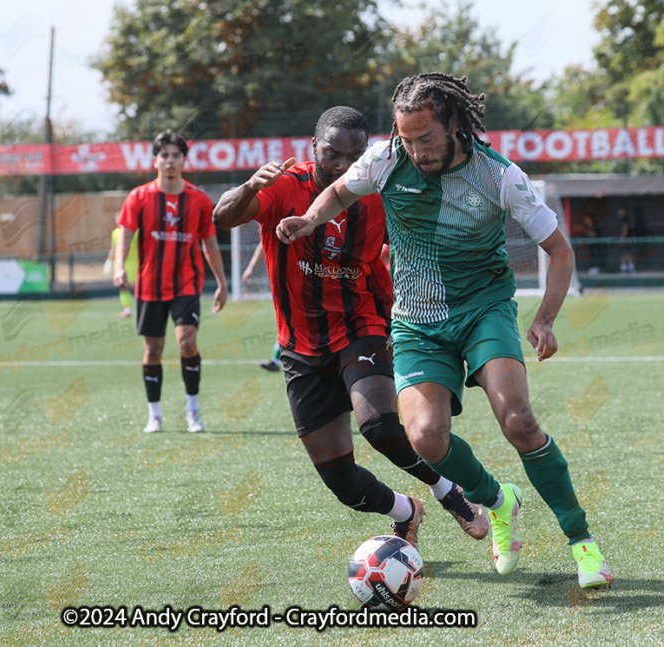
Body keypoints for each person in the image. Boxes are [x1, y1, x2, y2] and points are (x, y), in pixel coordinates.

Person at [276, 75, 611, 589]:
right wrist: (308, 218)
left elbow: (560, 252)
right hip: (417, 322)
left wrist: (543, 319)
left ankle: (582, 541)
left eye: (425, 138)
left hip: (483, 310)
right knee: (426, 438)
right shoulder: (387, 160)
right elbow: (340, 193)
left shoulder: (500, 176)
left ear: (454, 126)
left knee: (518, 421)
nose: (416, 150)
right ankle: (499, 501)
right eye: (406, 138)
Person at [213, 106, 488, 549]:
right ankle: (405, 510)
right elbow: (222, 218)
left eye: (354, 154)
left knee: (379, 425)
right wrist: (249, 186)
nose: (342, 164)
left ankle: (449, 493)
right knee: (341, 480)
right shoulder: (285, 186)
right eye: (331, 154)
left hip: (361, 324)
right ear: (313, 147)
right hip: (300, 345)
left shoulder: (378, 195)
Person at [113, 130, 229, 434]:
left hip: (187, 285)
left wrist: (222, 282)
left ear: (183, 159)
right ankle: (155, 414)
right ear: (155, 160)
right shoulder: (139, 197)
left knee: (187, 342)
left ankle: (193, 409)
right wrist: (119, 267)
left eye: (176, 155)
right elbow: (125, 234)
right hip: (150, 285)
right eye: (164, 155)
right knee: (153, 349)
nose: (170, 160)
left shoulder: (199, 199)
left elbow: (210, 244)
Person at [240, 243, 283, 371]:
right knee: (287, 321)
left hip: (303, 275)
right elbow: (263, 243)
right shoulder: (272, 225)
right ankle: (276, 359)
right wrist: (251, 268)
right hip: (284, 277)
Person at [104, 212, 138, 318]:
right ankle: (127, 310)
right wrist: (108, 262)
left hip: (134, 262)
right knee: (123, 286)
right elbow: (114, 249)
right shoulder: (115, 233)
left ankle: (143, 308)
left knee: (136, 286)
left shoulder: (136, 231)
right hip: (121, 263)